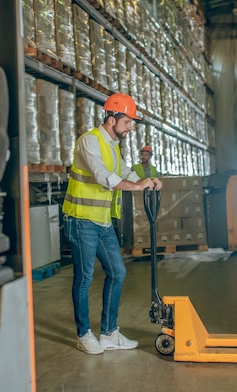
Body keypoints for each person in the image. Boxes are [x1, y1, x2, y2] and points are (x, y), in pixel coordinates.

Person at [62, 93, 163, 355]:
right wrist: (135, 186)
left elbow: (123, 172)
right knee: (84, 278)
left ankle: (108, 333)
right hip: (81, 220)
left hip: (102, 222)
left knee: (117, 273)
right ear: (111, 118)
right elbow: (103, 177)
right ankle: (84, 334)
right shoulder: (89, 142)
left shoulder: (112, 146)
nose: (131, 127)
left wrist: (147, 182)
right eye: (128, 121)